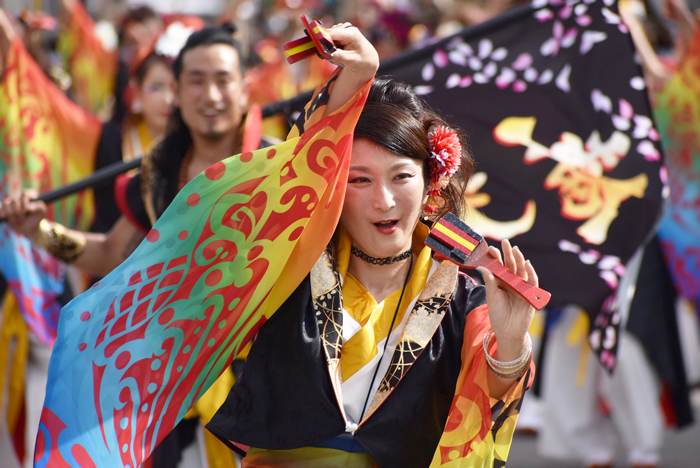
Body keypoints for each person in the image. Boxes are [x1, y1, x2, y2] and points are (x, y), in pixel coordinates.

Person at [198, 23, 538, 467]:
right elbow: (292, 173)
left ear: (431, 181)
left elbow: (485, 399)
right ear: (332, 186)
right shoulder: (292, 268)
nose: (384, 200)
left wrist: (511, 345)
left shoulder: (462, 298)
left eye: (401, 176)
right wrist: (357, 80)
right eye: (359, 180)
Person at [0, 21, 258, 468]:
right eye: (197, 81)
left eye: (223, 80)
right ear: (177, 90)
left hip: (257, 386)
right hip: (167, 383)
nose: (211, 96)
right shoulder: (158, 175)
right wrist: (38, 231)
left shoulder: (278, 169)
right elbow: (111, 252)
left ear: (244, 88)